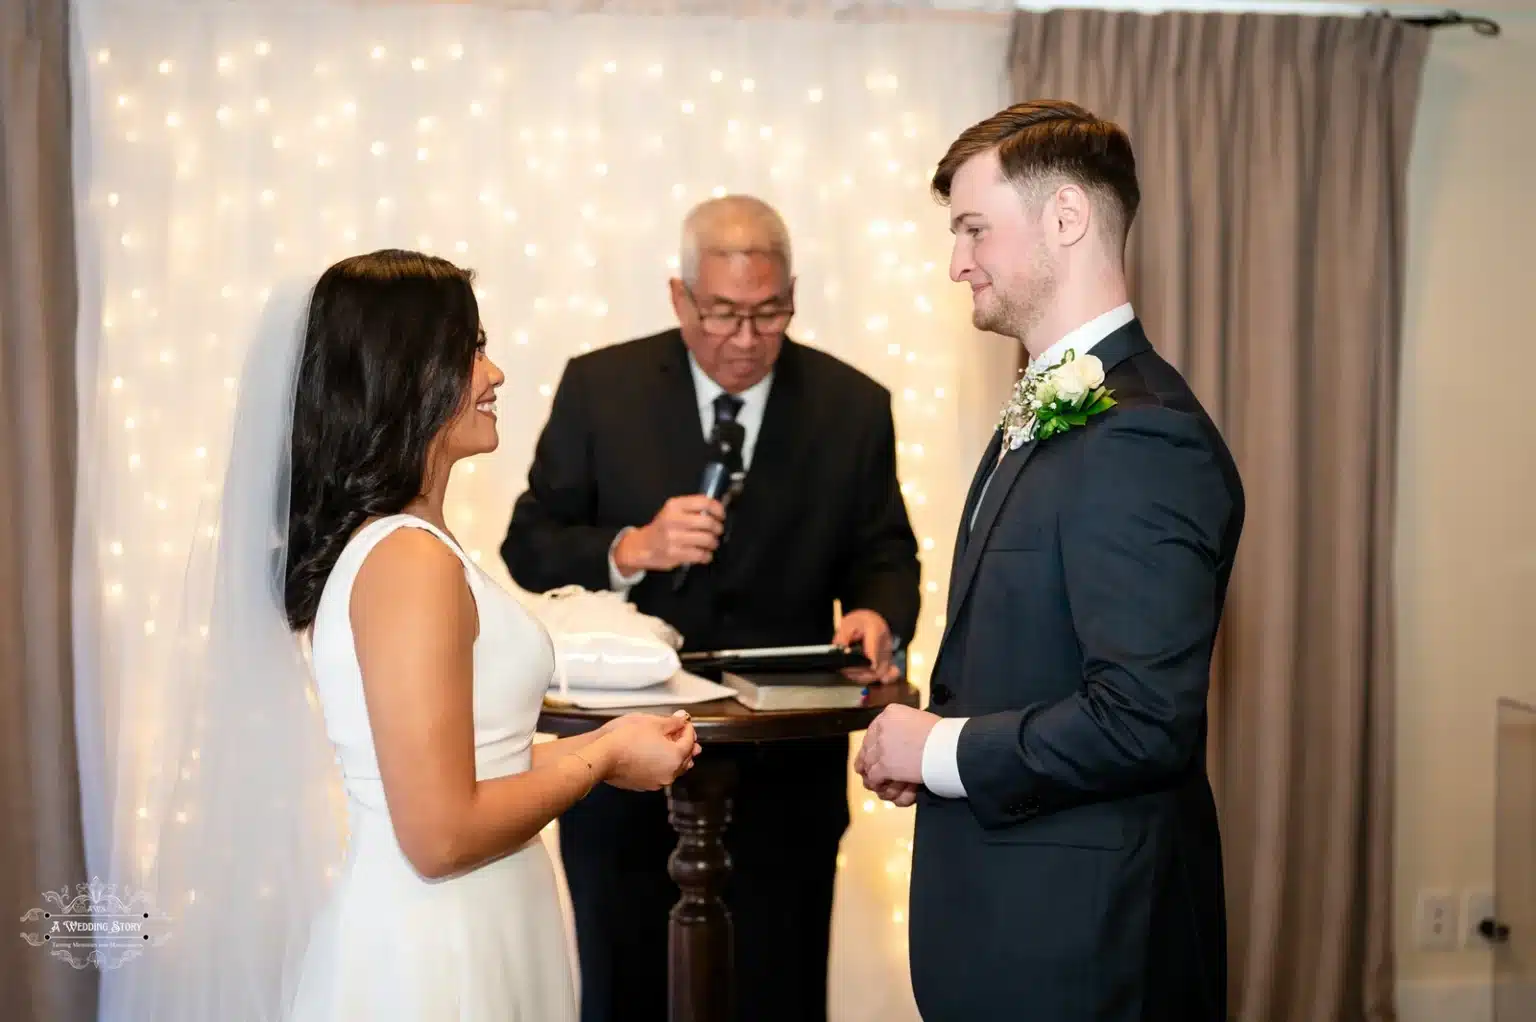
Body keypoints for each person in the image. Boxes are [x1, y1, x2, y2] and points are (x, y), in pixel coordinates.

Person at [110, 250, 699, 1021]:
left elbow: (466, 767)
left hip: (479, 920)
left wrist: (600, 749)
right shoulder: (404, 560)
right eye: (471, 349)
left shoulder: (414, 544)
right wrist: (603, 754)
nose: (494, 373)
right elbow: (440, 834)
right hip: (435, 949)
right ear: (404, 376)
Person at [855, 101, 1245, 1021]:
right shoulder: (1055, 406)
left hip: (1086, 950)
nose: (957, 262)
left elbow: (1144, 721)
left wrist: (940, 747)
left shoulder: (1144, 433)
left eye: (973, 229)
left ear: (1066, 218)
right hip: (1018, 933)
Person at [502, 195, 922, 1022]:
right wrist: (630, 548)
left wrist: (878, 613)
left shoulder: (852, 404)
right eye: (724, 313)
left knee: (779, 985)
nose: (745, 338)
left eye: (769, 313)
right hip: (621, 763)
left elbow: (886, 550)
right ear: (679, 297)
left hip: (784, 766)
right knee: (626, 989)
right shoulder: (601, 386)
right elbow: (528, 542)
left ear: (793, 295)